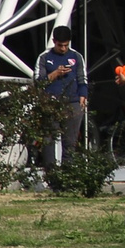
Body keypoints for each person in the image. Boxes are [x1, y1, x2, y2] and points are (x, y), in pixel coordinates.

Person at [38, 25, 86, 173]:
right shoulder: (45, 57)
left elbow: (82, 78)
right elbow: (38, 82)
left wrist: (83, 95)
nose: (64, 49)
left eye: (66, 45)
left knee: (70, 142)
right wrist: (55, 73)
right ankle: (52, 176)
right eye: (60, 45)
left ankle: (68, 176)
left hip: (72, 103)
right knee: (48, 141)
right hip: (51, 103)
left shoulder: (76, 56)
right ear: (54, 41)